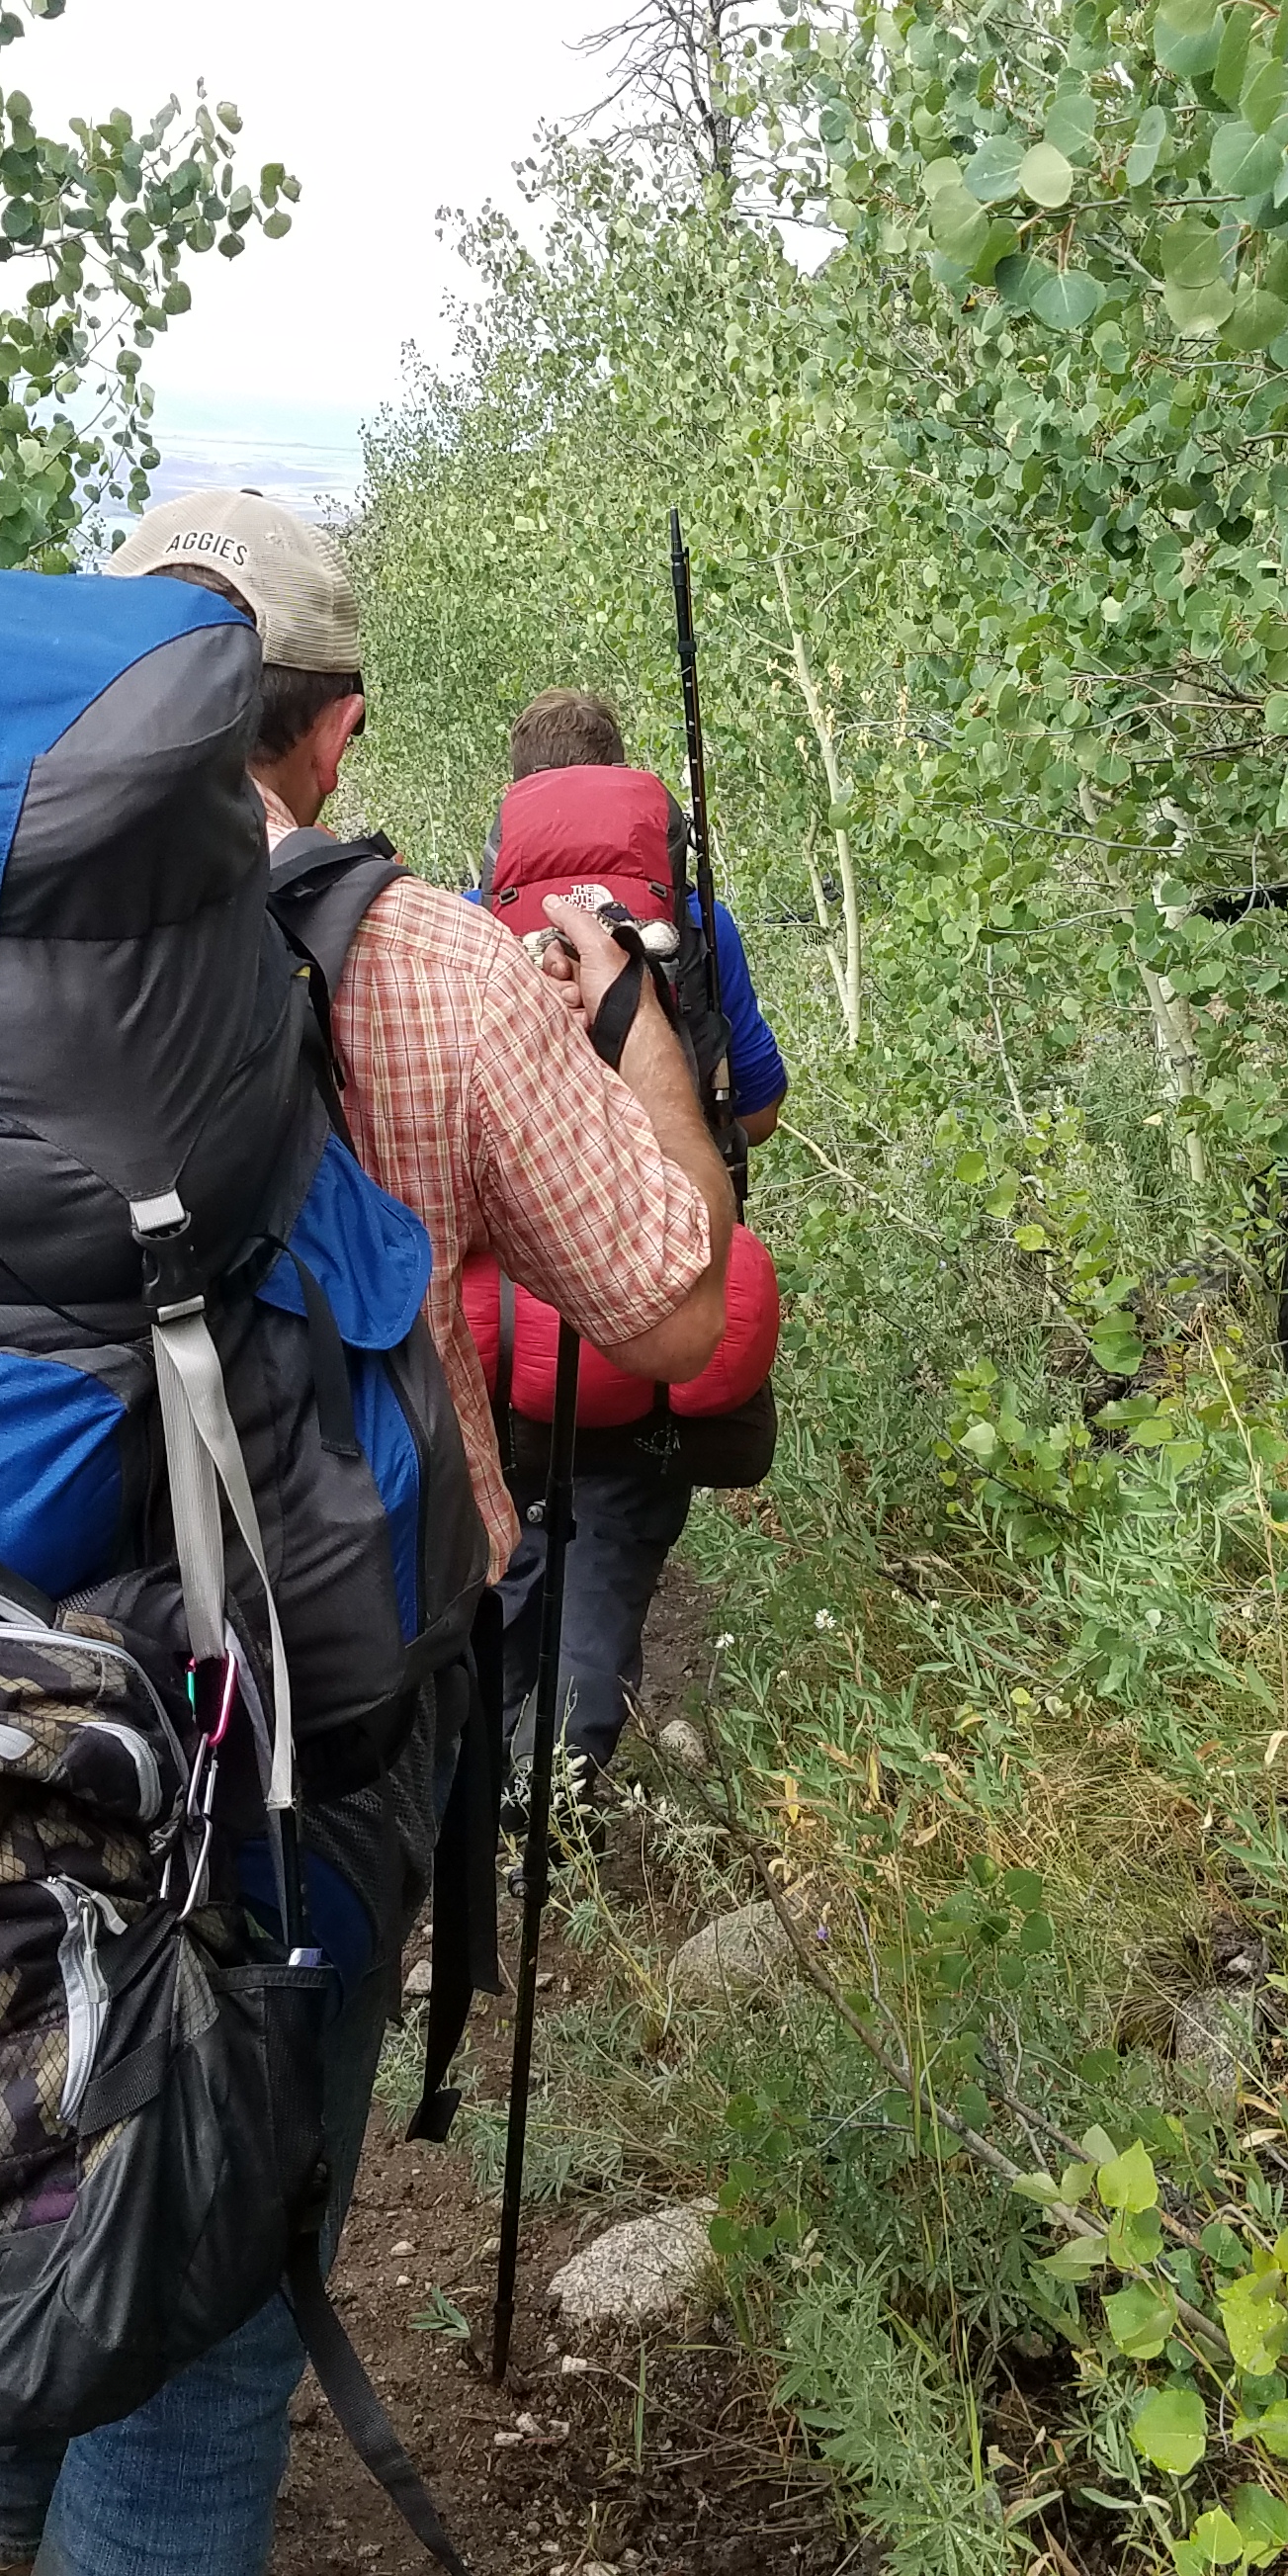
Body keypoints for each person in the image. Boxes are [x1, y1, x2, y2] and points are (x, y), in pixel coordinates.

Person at [0, 492, 731, 2576]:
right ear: (335, 729)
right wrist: (627, 1010)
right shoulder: (435, 967)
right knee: (206, 2297)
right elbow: (668, 1297)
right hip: (295, 1716)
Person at [483, 689, 788, 1789]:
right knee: (607, 1541)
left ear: (516, 802)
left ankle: (480, 1778)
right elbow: (758, 1105)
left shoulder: (474, 922)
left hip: (514, 1313)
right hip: (656, 1290)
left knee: (508, 1539)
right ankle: (557, 1789)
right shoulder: (695, 928)